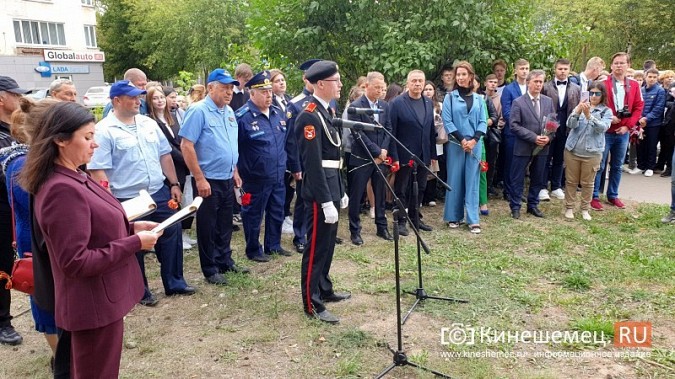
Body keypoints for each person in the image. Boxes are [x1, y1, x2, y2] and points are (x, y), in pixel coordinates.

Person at [22, 101, 161, 378]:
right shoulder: (62, 188)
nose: (94, 144)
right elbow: (75, 261)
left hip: (99, 303)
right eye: (87, 137)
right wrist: (135, 243)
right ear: (60, 140)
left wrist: (130, 229)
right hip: (91, 306)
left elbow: (92, 228)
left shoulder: (74, 175)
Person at [89, 80, 194, 305]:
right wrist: (108, 203)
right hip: (126, 197)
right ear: (116, 101)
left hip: (157, 191)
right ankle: (139, 290)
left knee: (172, 230)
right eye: (132, 97)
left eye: (139, 96)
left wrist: (174, 183)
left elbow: (164, 155)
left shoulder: (148, 123)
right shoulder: (104, 130)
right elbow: (98, 170)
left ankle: (175, 282)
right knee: (133, 244)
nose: (138, 101)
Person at [0, 97, 60, 365]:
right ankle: (59, 355)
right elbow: (37, 205)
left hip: (45, 236)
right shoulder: (19, 163)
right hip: (35, 241)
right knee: (44, 294)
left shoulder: (37, 158)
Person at [180, 69, 247, 285]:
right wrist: (199, 179)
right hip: (208, 179)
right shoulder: (198, 111)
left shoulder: (228, 111)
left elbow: (230, 144)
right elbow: (186, 145)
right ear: (210, 88)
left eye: (231, 88)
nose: (229, 92)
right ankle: (210, 268)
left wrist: (235, 171)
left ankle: (224, 260)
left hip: (227, 177)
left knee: (225, 223)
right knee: (208, 226)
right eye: (224, 88)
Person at [296, 60, 350, 324]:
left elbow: (334, 156)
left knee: (328, 246)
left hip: (332, 185)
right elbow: (313, 164)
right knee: (316, 247)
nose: (340, 85)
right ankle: (311, 301)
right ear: (320, 84)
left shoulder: (326, 111)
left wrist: (340, 189)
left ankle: (324, 288)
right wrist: (326, 200)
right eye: (335, 81)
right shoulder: (309, 115)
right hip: (320, 191)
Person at [236, 71, 292, 262]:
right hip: (254, 178)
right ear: (252, 93)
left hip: (277, 174)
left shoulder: (277, 113)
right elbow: (234, 148)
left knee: (277, 211)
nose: (269, 95)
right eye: (264, 92)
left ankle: (273, 245)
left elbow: (284, 143)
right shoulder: (242, 117)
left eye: (270, 91)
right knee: (252, 215)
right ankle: (253, 249)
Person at [591, 52, 644, 211]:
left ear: (628, 65)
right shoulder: (603, 83)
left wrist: (628, 126)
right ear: (611, 65)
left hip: (623, 132)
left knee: (617, 165)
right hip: (605, 131)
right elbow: (595, 103)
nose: (619, 66)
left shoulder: (634, 85)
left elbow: (638, 107)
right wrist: (608, 117)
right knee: (599, 165)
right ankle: (594, 196)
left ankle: (612, 195)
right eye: (616, 63)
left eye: (622, 63)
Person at [346, 71, 393, 245]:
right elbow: (358, 134)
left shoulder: (385, 106)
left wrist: (384, 150)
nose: (380, 91)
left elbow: (388, 129)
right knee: (357, 194)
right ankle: (355, 230)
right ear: (367, 86)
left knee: (380, 193)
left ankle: (382, 227)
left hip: (381, 157)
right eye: (377, 87)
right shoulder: (356, 106)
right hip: (362, 157)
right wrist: (376, 151)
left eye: (382, 88)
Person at [389, 70, 437, 235]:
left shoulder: (428, 102)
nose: (417, 84)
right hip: (404, 154)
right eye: (414, 81)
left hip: (423, 154)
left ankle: (415, 218)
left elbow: (430, 130)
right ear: (408, 83)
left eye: (420, 81)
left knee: (420, 187)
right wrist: (394, 156)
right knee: (402, 188)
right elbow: (391, 132)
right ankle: (401, 220)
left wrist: (432, 154)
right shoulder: (397, 103)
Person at [442, 61, 487, 233]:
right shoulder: (450, 98)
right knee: (455, 179)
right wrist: (462, 140)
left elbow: (483, 122)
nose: (460, 77)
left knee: (473, 181)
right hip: (456, 145)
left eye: (464, 74)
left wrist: (474, 140)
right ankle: (453, 216)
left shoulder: (478, 98)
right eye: (458, 75)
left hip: (474, 145)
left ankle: (473, 219)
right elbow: (448, 122)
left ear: (470, 76)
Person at [147, 86, 194, 250]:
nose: (159, 100)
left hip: (182, 166)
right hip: (169, 165)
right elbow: (167, 148)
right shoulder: (150, 121)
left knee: (186, 198)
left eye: (161, 97)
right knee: (173, 201)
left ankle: (184, 233)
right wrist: (186, 159)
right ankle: (172, 234)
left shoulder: (172, 117)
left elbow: (181, 140)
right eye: (155, 98)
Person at [0, 75, 27, 345]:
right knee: (2, 262)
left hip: (17, 205)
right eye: (15, 94)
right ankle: (2, 321)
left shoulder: (17, 128)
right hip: (1, 207)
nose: (20, 99)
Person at [509, 70, 555, 219]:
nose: (538, 84)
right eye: (535, 81)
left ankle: (533, 205)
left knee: (538, 177)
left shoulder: (548, 101)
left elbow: (553, 123)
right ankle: (515, 206)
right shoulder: (519, 102)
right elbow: (514, 125)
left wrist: (549, 137)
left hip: (542, 147)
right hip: (523, 146)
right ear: (528, 82)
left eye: (541, 82)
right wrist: (533, 137)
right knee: (517, 178)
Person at [564, 82, 612, 220]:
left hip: (592, 153)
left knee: (588, 183)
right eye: (591, 93)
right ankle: (569, 207)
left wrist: (590, 116)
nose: (594, 96)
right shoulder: (580, 106)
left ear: (602, 95)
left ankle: (585, 208)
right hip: (573, 150)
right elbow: (570, 125)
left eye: (598, 93)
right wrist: (578, 112)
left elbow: (602, 128)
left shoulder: (606, 111)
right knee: (571, 181)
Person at [541, 58, 581, 201]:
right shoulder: (545, 86)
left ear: (569, 70)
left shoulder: (576, 89)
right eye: (560, 69)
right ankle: (542, 187)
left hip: (566, 127)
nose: (562, 71)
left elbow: (578, 108)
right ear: (555, 69)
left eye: (565, 69)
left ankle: (556, 186)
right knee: (545, 156)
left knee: (560, 157)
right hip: (550, 125)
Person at [499, 59, 530, 202]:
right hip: (512, 132)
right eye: (522, 68)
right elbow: (506, 112)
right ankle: (509, 190)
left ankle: (518, 191)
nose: (524, 71)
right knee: (510, 162)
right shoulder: (509, 89)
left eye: (527, 68)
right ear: (516, 70)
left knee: (523, 164)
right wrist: (521, 124)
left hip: (528, 132)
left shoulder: (531, 88)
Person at [636, 68, 666, 177]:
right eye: (650, 77)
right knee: (640, 144)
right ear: (645, 77)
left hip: (654, 123)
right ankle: (641, 165)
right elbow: (637, 105)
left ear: (657, 78)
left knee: (651, 145)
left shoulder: (660, 91)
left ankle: (650, 167)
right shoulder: (641, 90)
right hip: (640, 122)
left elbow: (658, 108)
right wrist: (639, 118)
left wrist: (646, 118)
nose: (652, 79)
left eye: (654, 77)